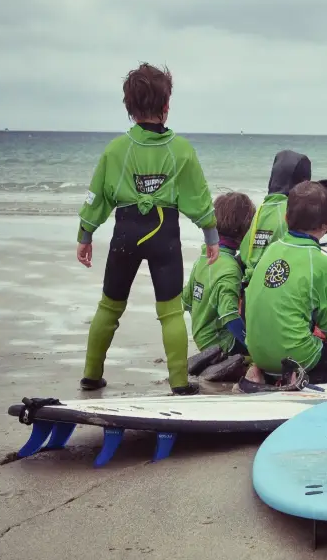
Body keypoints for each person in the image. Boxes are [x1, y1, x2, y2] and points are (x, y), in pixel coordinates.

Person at [76, 62, 219, 396]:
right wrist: (210, 233)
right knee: (170, 312)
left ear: (128, 108)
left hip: (126, 234)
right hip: (164, 236)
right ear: (166, 106)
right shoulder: (181, 150)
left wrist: (86, 234)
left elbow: (97, 196)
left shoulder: (116, 150)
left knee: (109, 307)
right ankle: (180, 383)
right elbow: (198, 197)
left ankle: (91, 375)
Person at [240, 181, 327, 387]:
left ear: (286, 217)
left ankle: (261, 373)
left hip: (256, 352)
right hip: (296, 355)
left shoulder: (271, 249)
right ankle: (294, 378)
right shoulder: (323, 263)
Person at [181, 191, 255, 371]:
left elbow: (187, 301)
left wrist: (204, 321)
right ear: (244, 230)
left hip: (202, 338)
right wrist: (253, 347)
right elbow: (229, 316)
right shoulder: (229, 268)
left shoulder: (203, 258)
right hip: (222, 345)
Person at [240, 150, 312, 282]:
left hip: (250, 284)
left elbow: (245, 251)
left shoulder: (262, 209)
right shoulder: (293, 210)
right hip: (276, 282)